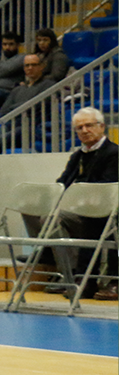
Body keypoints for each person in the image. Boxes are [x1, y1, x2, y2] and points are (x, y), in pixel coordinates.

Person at [54, 107, 119, 299]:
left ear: (102, 127)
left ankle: (111, 281)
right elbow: (62, 183)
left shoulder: (115, 153)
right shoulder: (78, 156)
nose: (84, 130)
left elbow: (107, 186)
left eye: (89, 125)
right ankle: (69, 274)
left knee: (98, 221)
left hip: (111, 211)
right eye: (79, 128)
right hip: (85, 209)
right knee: (49, 218)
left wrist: (79, 193)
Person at [0, 53, 54, 152]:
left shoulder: (49, 85)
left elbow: (37, 106)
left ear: (41, 66)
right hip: (11, 125)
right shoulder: (17, 89)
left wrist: (14, 108)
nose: (30, 68)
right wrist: (22, 107)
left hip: (33, 127)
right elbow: (3, 112)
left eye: (34, 65)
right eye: (27, 65)